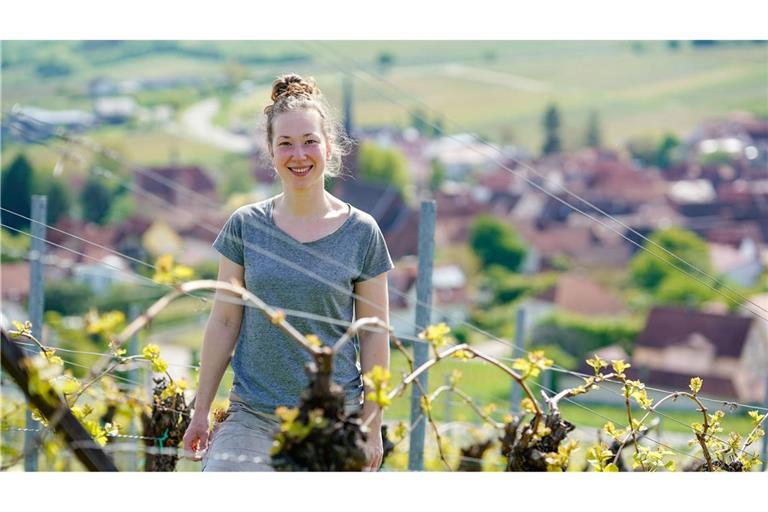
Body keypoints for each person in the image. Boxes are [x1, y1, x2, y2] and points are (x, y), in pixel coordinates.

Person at [182, 73, 394, 471]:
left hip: (333, 421)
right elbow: (225, 321)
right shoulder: (245, 225)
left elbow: (374, 333)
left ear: (329, 147)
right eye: (286, 144)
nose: (299, 154)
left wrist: (371, 422)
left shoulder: (362, 231)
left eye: (310, 141)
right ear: (271, 151)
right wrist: (201, 411)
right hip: (253, 418)